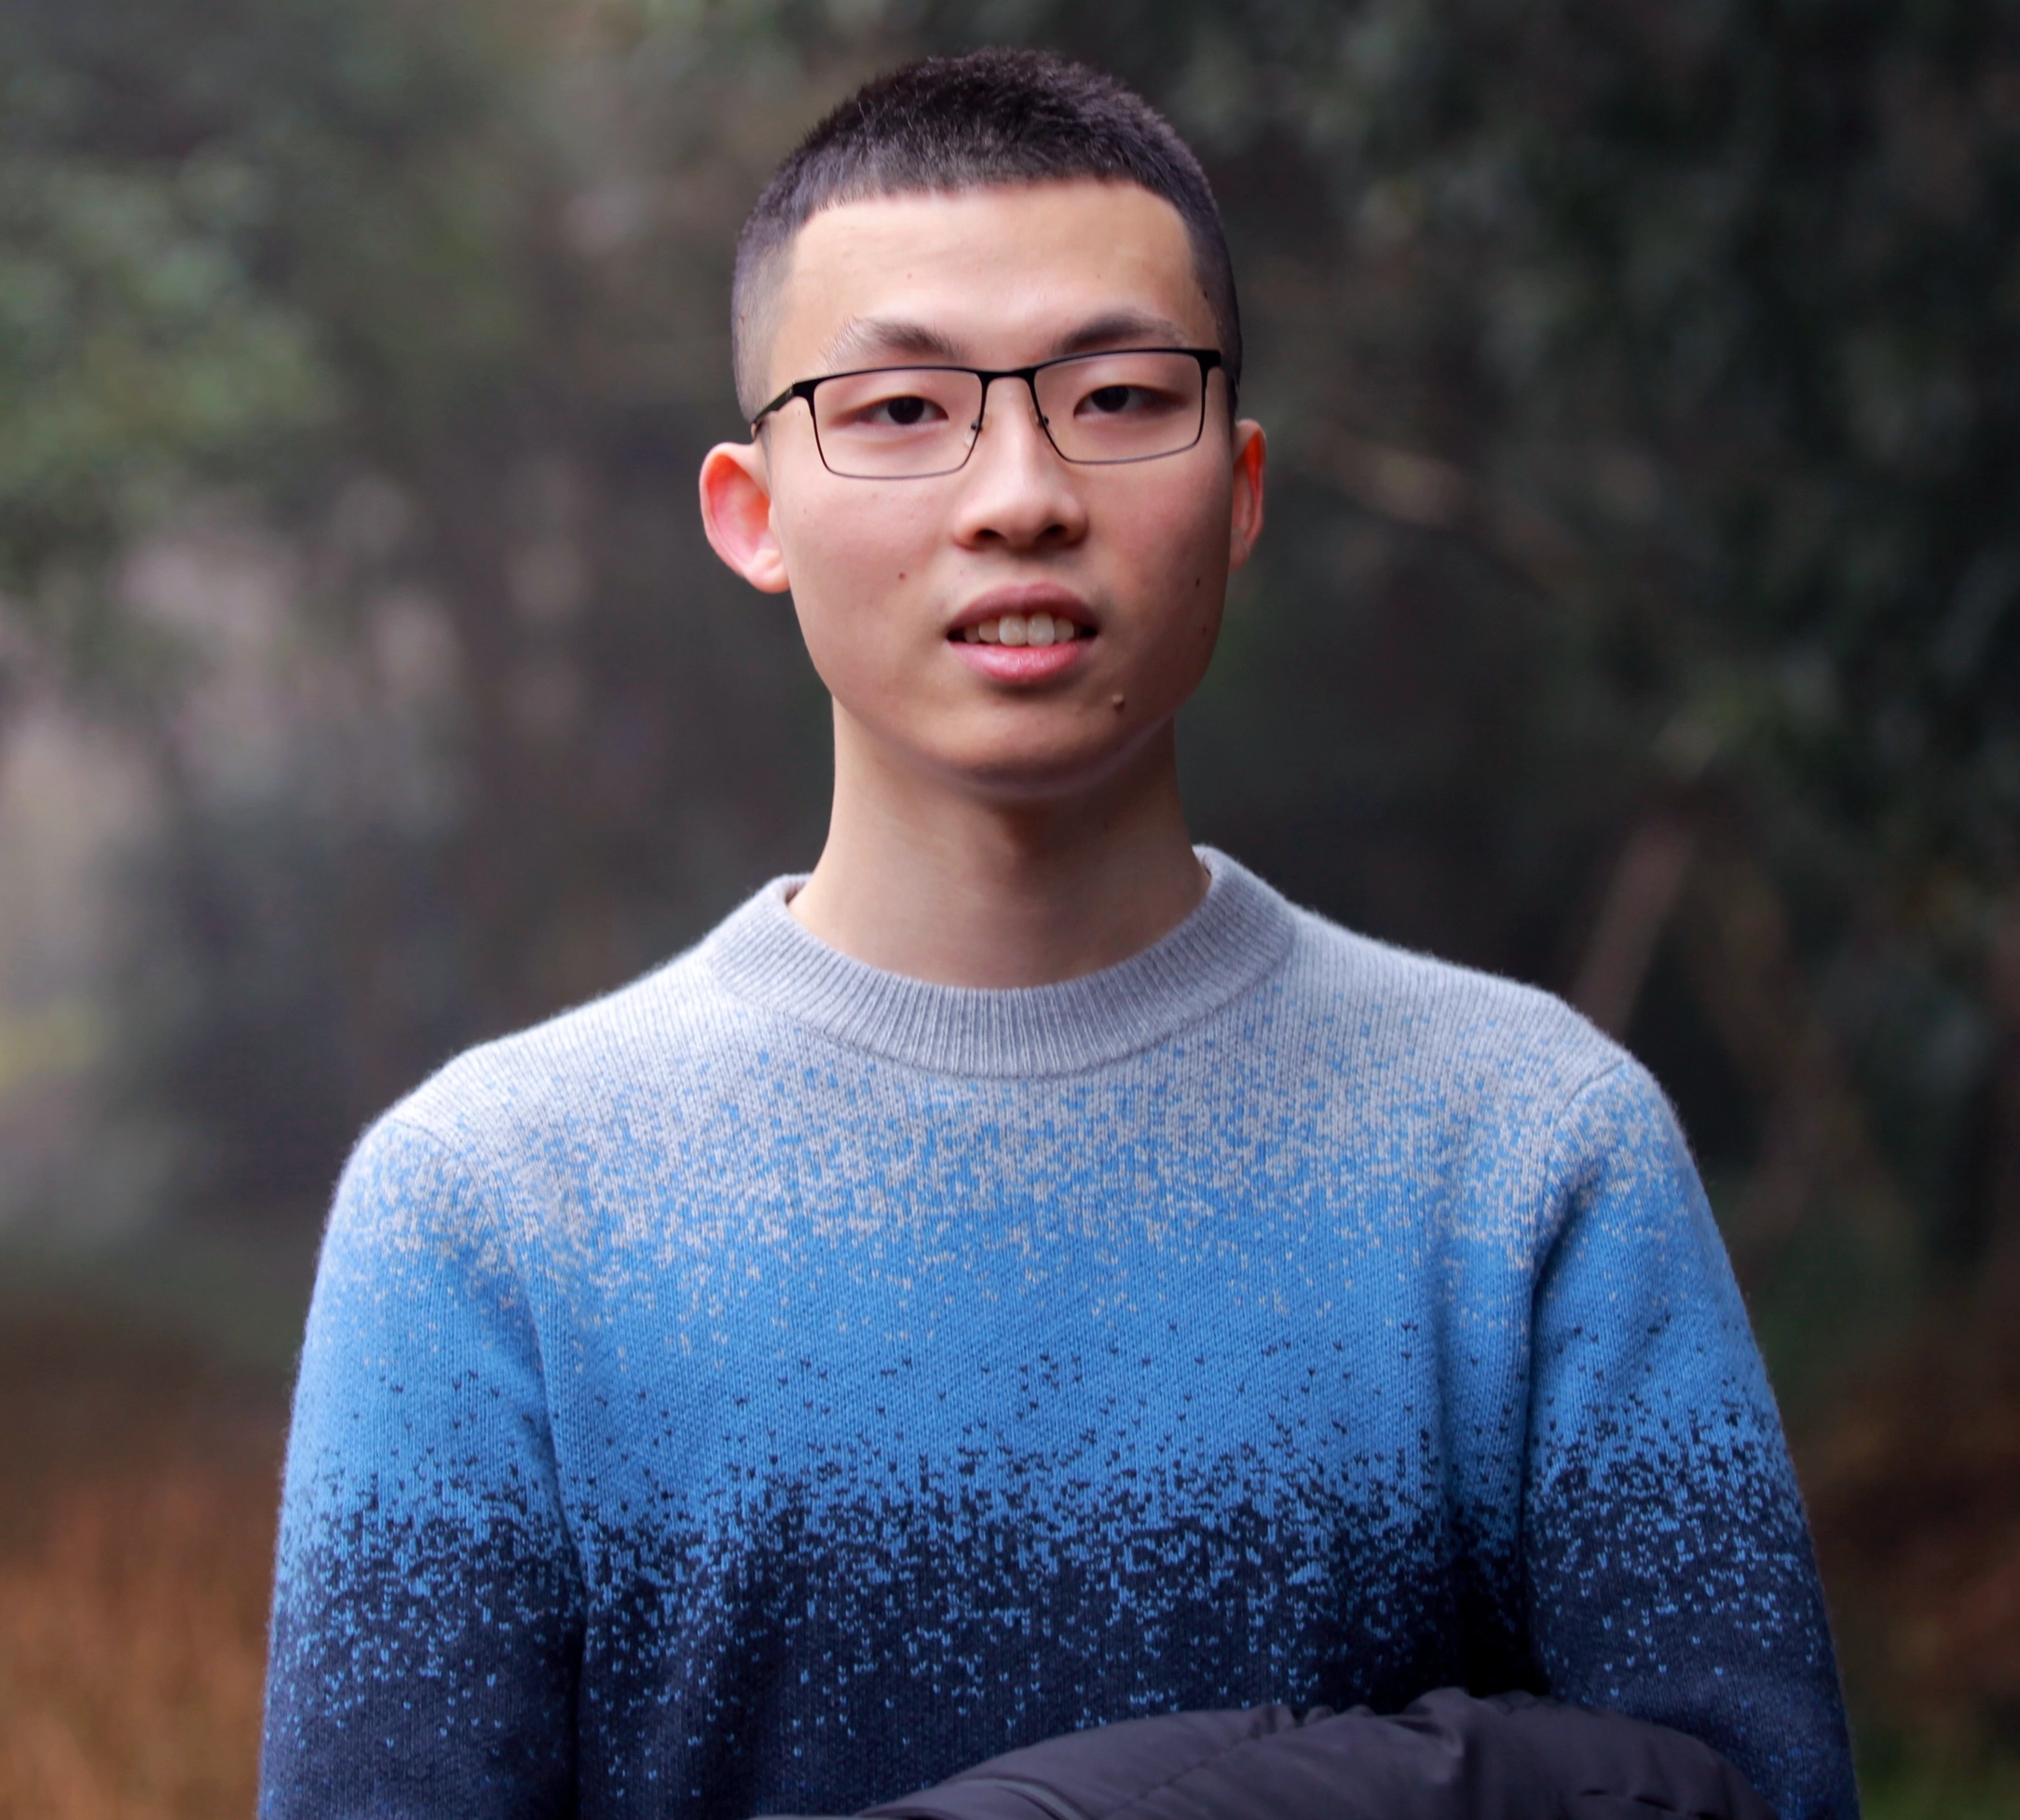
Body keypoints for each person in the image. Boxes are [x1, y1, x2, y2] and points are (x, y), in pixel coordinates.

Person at [258, 48, 1860, 1820]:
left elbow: (1753, 1797)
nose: (1020, 491)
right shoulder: (489, 1207)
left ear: (1241, 487)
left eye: (1114, 397)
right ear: (750, 512)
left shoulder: (1531, 1145)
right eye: (897, 411)